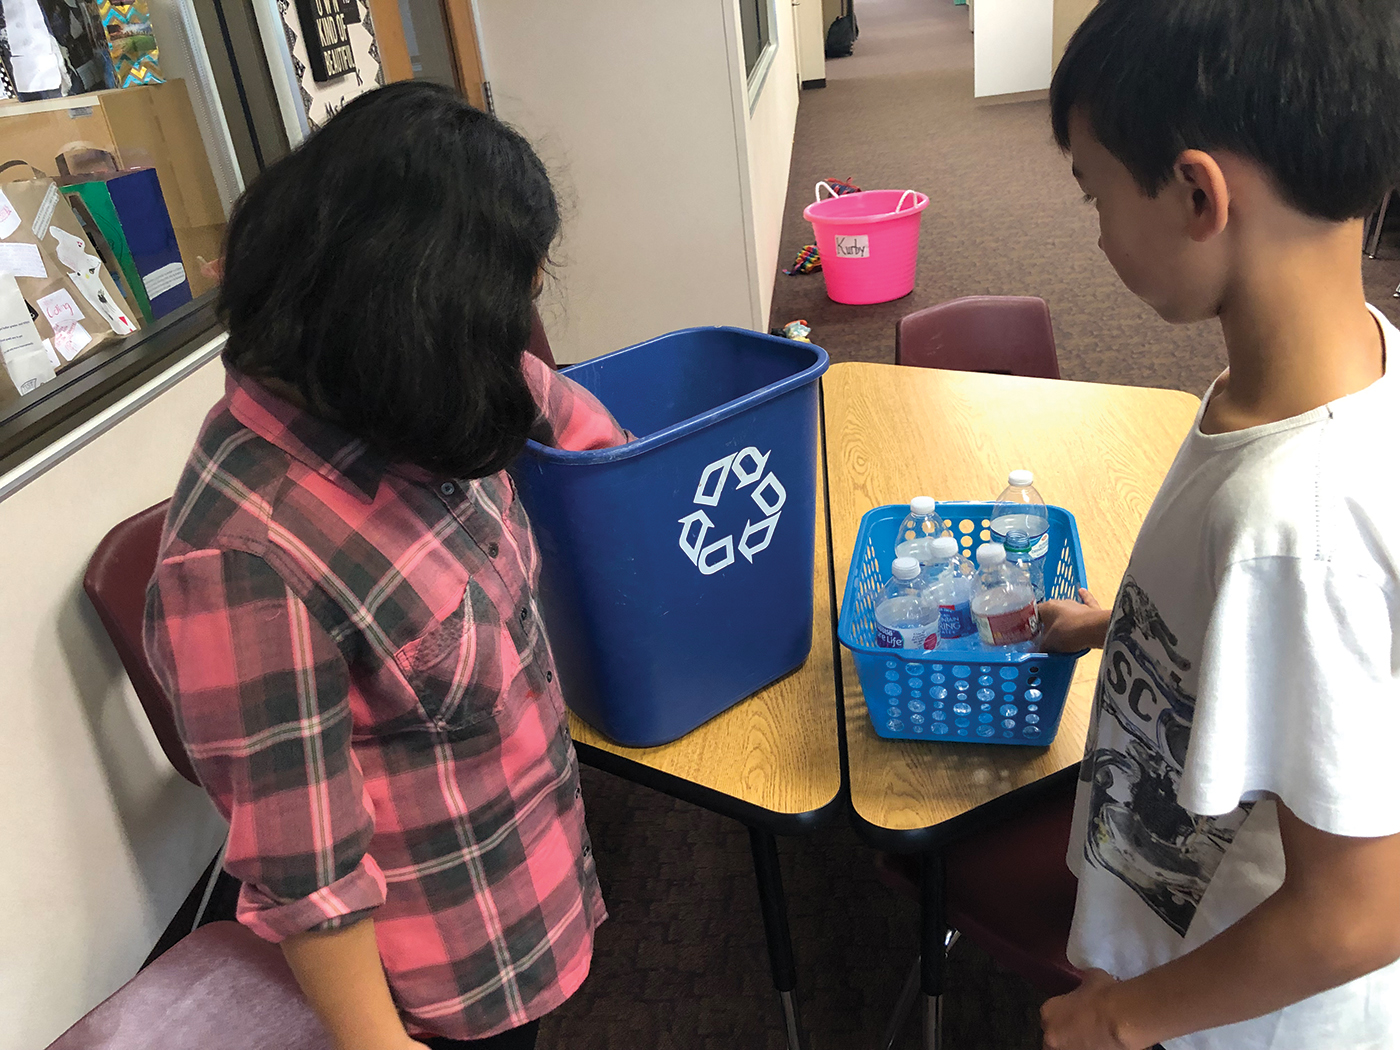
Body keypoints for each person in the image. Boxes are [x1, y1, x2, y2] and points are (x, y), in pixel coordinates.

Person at [143, 82, 630, 1050]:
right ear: (402, 314)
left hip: (521, 873)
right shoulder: (242, 559)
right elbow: (308, 876)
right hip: (438, 986)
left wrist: (630, 481)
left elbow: (567, 417)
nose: (517, 340)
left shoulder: (421, 380)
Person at [1034, 2, 1400, 1049]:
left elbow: (1357, 908)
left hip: (1239, 1013)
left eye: (1093, 196)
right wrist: (1125, 624)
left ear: (1196, 193)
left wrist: (1121, 1020)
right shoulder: (1332, 372)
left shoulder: (1296, 528)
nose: (1097, 230)